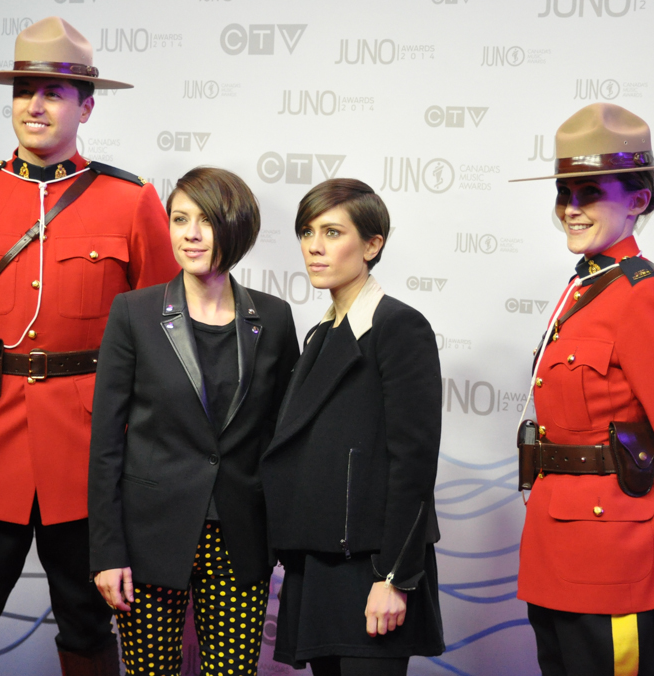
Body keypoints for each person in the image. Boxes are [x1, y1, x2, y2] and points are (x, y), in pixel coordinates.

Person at [0, 17, 178, 676]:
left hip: (87, 451)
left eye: (53, 92)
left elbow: (166, 329)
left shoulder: (130, 200)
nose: (36, 105)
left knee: (88, 618)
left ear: (87, 106)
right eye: (24, 90)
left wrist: (121, 414)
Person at [510, 103, 654, 676]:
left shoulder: (643, 294)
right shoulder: (586, 288)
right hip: (558, 545)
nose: (571, 208)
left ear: (639, 199)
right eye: (564, 192)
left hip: (620, 557)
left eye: (590, 192)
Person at [88, 166, 300, 676]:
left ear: (237, 228)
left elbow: (283, 438)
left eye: (206, 220)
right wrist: (107, 552)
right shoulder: (134, 313)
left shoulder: (272, 318)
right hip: (148, 537)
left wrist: (284, 541)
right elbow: (105, 444)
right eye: (180, 218)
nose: (190, 233)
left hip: (240, 538)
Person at [260, 179, 445, 676]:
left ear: (372, 244)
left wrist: (394, 577)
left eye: (332, 232)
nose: (314, 246)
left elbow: (414, 462)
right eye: (306, 231)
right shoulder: (320, 332)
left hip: (371, 570)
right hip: (318, 565)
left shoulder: (399, 326)